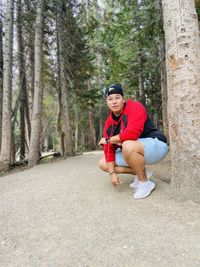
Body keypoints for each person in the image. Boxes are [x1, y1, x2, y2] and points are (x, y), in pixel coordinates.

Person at [98, 84, 169, 199]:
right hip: (134, 148)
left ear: (123, 99)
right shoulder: (109, 123)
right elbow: (109, 149)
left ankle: (145, 183)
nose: (114, 102)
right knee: (103, 163)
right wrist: (112, 174)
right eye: (110, 99)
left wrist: (108, 140)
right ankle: (140, 172)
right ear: (107, 103)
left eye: (117, 97)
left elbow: (132, 133)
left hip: (157, 145)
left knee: (128, 144)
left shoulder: (135, 107)